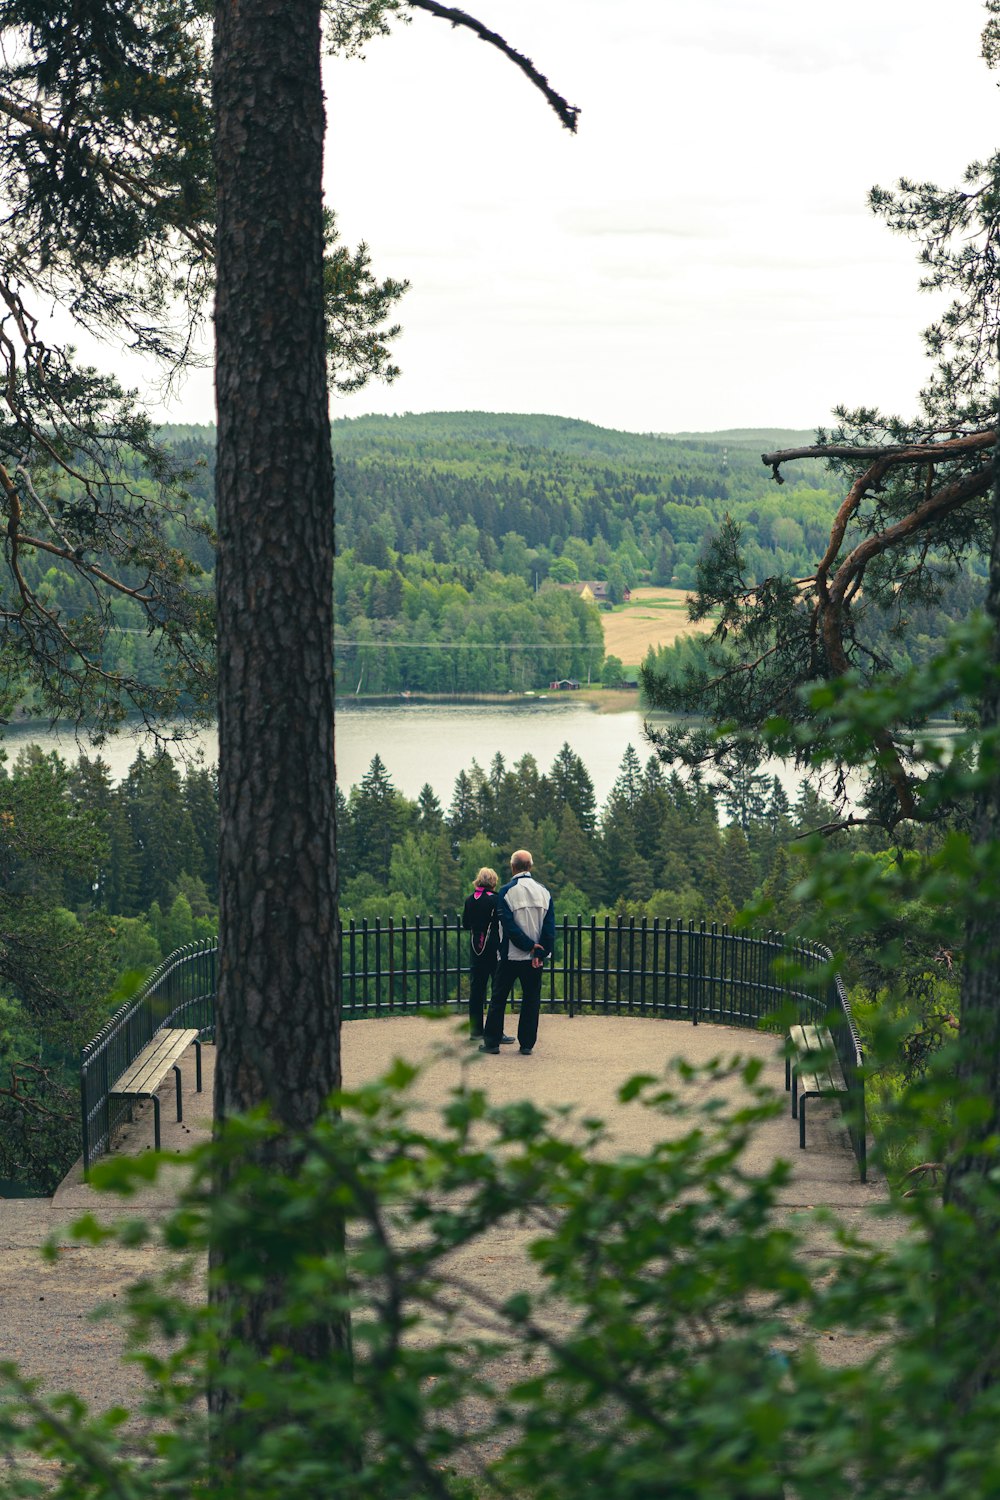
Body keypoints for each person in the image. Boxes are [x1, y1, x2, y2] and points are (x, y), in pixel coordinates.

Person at [480, 849, 555, 1056]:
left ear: (513, 867)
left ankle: (492, 1042)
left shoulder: (506, 892)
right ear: (530, 866)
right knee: (531, 999)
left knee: (499, 997)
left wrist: (528, 945)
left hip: (511, 955)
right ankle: (527, 1044)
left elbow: (509, 927)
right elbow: (549, 930)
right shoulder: (544, 892)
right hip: (534, 959)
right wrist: (539, 952)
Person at [461, 866, 507, 1041]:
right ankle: (495, 1031)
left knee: (476, 991)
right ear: (493, 882)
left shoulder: (469, 899)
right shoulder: (496, 900)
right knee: (497, 991)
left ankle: (475, 1031)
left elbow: (466, 924)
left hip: (476, 950)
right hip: (494, 949)